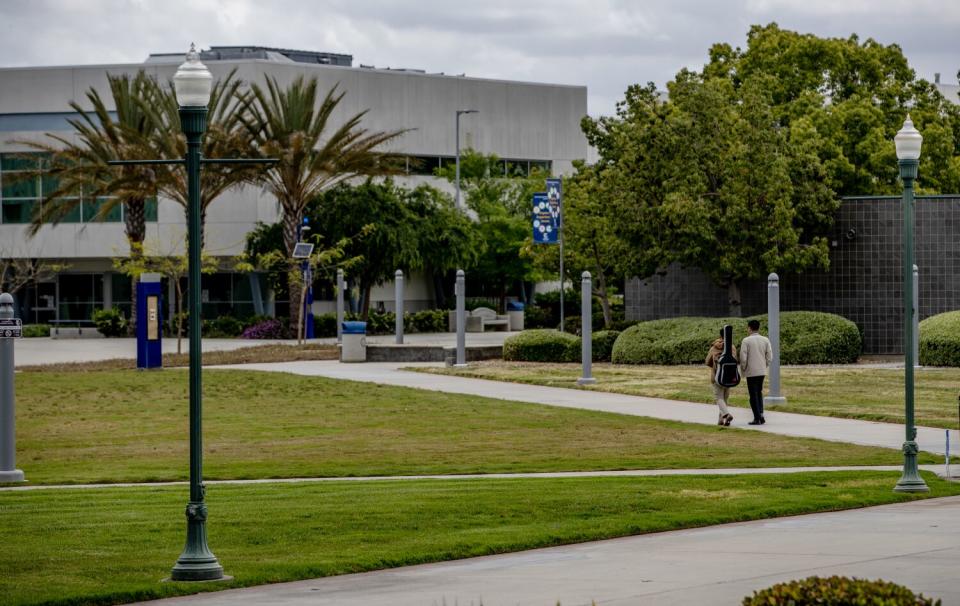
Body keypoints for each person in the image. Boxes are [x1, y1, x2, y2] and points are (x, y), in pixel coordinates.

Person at [740, 319, 773, 425]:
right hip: (762, 370)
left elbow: (743, 358)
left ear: (749, 328)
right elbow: (769, 356)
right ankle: (761, 414)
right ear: (758, 328)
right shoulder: (765, 340)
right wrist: (764, 365)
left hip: (751, 371)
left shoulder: (746, 341)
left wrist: (743, 368)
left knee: (753, 395)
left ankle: (757, 417)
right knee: (759, 392)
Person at [705, 328, 735, 426]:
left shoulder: (714, 347)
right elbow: (736, 360)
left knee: (718, 397)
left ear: (721, 335)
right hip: (729, 377)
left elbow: (707, 361)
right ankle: (721, 420)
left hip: (716, 376)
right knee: (724, 398)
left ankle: (726, 415)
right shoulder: (732, 347)